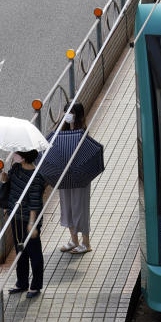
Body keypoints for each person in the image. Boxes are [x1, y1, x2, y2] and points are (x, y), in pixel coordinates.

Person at [0, 150, 46, 298]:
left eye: (17, 153)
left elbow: (35, 202)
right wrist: (5, 178)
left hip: (28, 219)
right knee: (21, 250)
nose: (14, 155)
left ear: (24, 157)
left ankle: (36, 285)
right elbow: (10, 182)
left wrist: (32, 223)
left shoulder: (36, 176)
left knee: (34, 253)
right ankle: (21, 282)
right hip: (16, 216)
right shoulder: (16, 168)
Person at [57, 103, 92, 254]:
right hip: (65, 175)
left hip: (79, 176)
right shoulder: (61, 131)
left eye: (70, 112)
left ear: (77, 114)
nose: (66, 114)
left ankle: (86, 243)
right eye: (65, 111)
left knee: (80, 208)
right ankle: (73, 240)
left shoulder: (82, 132)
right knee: (68, 207)